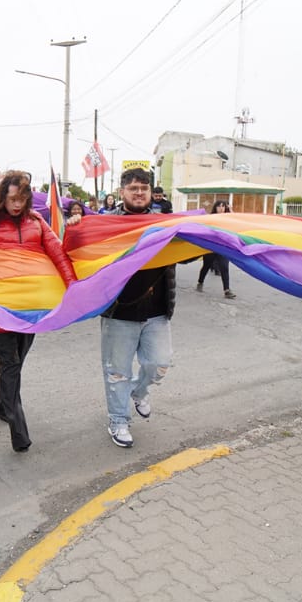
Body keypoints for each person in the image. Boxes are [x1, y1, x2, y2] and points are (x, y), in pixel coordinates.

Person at [0, 171, 77, 452]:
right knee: (10, 364)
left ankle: (3, 405)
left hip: (31, 312)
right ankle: (18, 430)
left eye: (22, 198)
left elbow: (58, 254)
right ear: (3, 198)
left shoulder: (37, 222)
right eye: (12, 198)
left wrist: (74, 287)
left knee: (16, 362)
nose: (16, 203)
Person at [99, 168, 176, 449]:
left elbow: (190, 253)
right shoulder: (105, 224)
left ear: (151, 192)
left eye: (144, 188)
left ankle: (139, 391)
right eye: (133, 188)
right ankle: (118, 421)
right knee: (117, 371)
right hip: (119, 312)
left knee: (160, 364)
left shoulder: (166, 224)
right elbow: (80, 242)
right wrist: (73, 214)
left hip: (157, 311)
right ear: (122, 192)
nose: (139, 192)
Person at [196, 200, 235, 298]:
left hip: (223, 247)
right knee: (206, 266)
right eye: (219, 206)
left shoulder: (228, 218)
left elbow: (236, 220)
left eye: (223, 206)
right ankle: (200, 282)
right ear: (215, 207)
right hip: (211, 247)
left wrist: (230, 210)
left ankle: (227, 290)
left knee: (224, 267)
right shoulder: (211, 218)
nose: (221, 208)